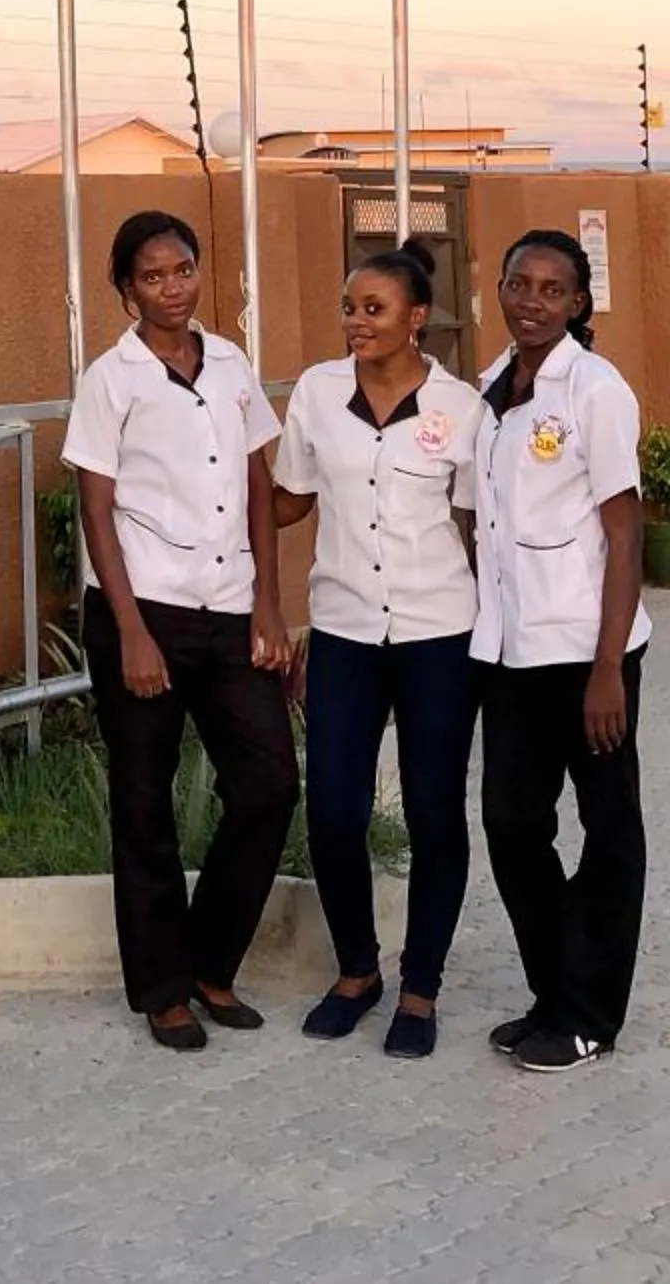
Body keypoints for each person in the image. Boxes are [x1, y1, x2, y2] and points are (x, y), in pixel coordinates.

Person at [63, 210, 299, 1052]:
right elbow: (94, 507)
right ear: (125, 290)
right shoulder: (111, 379)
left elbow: (256, 479)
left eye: (183, 270)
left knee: (270, 784)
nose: (172, 288)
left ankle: (208, 964)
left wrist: (269, 603)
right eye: (153, 276)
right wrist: (129, 629)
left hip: (231, 607)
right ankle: (162, 989)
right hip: (144, 610)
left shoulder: (232, 364)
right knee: (143, 800)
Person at [269, 242, 484, 1058]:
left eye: (375, 309)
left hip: (438, 634)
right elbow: (288, 499)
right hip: (346, 631)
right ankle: (357, 971)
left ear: (416, 318)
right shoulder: (319, 396)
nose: (357, 322)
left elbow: (476, 523)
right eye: (350, 308)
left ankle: (420, 987)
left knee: (434, 814)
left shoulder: (461, 407)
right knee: (332, 810)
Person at [472, 227, 652, 1074]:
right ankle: (553, 991)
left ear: (579, 303)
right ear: (498, 290)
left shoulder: (596, 390)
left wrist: (609, 665)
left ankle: (588, 1016)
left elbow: (624, 529)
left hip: (588, 652)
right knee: (510, 823)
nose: (533, 302)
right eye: (520, 285)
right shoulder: (488, 390)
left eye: (552, 289)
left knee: (607, 829)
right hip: (509, 652)